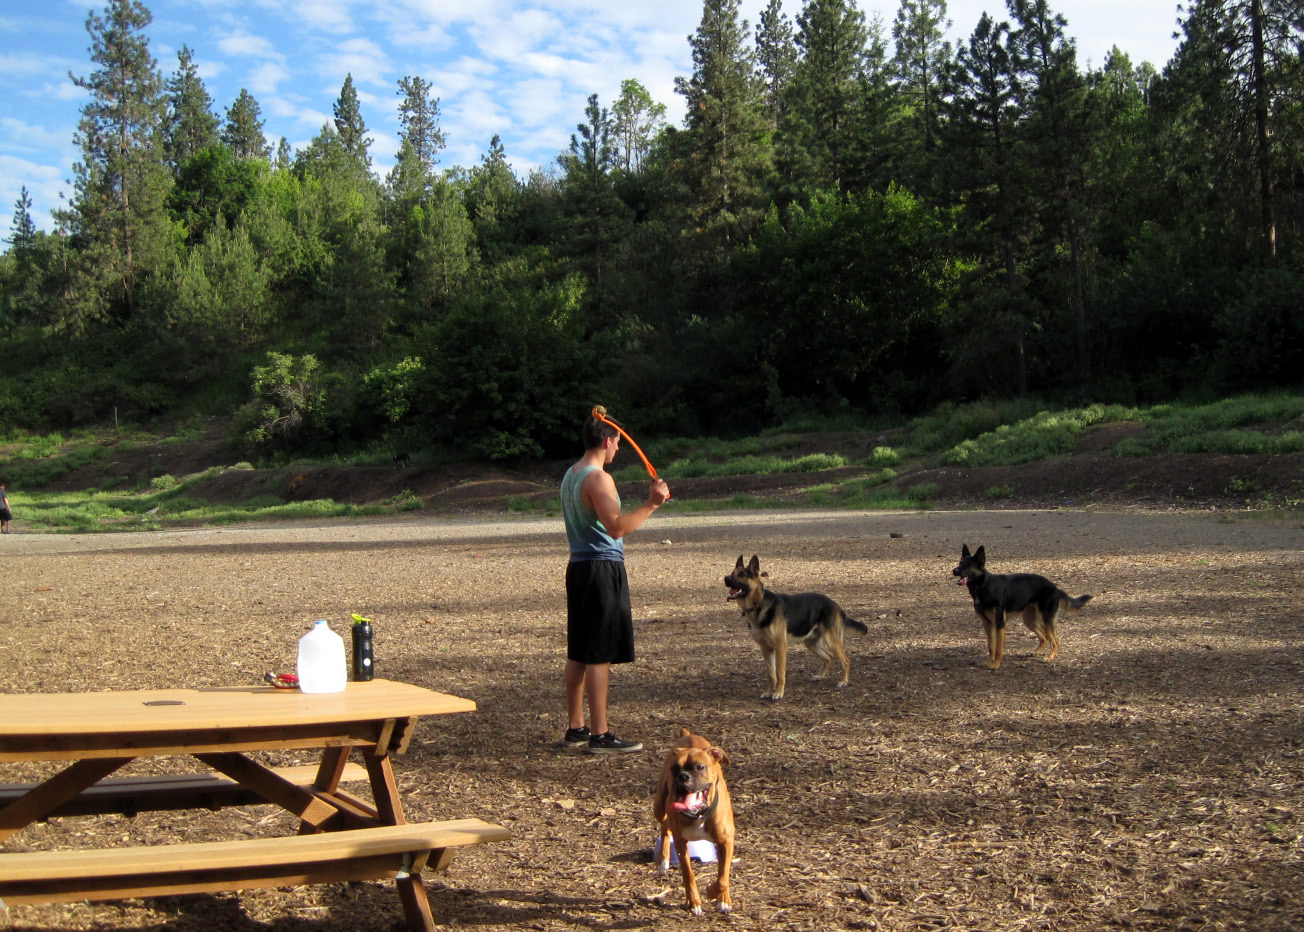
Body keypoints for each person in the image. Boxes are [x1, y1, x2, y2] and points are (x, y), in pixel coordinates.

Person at [560, 409, 670, 754]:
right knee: (598, 654)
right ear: (607, 441)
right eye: (617, 443)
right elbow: (617, 527)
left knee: (579, 650)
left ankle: (576, 728)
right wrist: (652, 504)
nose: (618, 450)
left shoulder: (570, 474)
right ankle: (600, 734)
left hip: (579, 568)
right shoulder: (598, 478)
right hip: (600, 570)